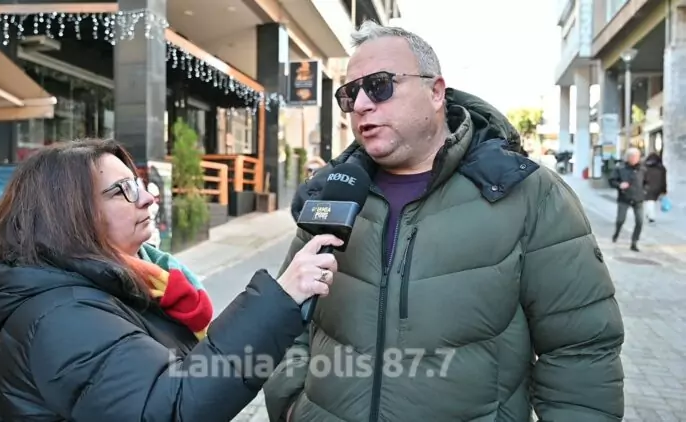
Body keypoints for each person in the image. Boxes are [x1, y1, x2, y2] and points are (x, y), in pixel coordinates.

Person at [264, 21, 625, 422]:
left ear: (436, 91)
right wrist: (292, 405)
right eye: (350, 94)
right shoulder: (333, 192)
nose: (362, 104)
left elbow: (580, 350)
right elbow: (285, 313)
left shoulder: (527, 193)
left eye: (379, 85)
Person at [0, 139, 343, 421]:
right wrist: (278, 300)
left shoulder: (127, 279)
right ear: (68, 216)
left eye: (139, 184)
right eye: (123, 190)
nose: (148, 199)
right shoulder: (62, 314)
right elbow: (169, 406)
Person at [609, 147, 646, 251]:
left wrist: (645, 191)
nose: (634, 158)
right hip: (624, 198)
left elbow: (647, 182)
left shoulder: (643, 169)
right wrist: (620, 185)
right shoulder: (620, 168)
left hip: (638, 198)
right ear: (628, 158)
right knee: (620, 220)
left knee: (640, 221)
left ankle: (634, 242)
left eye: (636, 156)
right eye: (632, 156)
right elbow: (611, 181)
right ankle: (616, 233)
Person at [643, 151, 667, 223]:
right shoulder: (662, 168)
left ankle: (650, 215)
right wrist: (664, 189)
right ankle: (649, 214)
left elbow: (642, 177)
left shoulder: (644, 167)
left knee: (649, 201)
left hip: (648, 186)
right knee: (652, 201)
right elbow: (664, 180)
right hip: (658, 187)